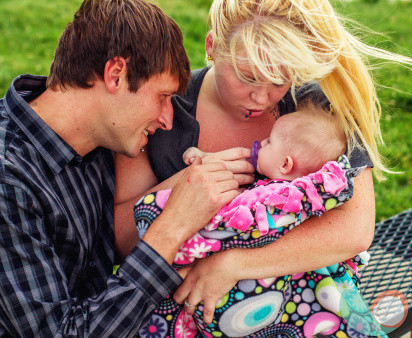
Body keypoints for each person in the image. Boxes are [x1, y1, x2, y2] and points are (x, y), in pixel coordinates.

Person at [115, 0, 412, 336]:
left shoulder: (316, 105)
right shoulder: (164, 108)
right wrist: (187, 183)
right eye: (247, 76)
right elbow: (123, 239)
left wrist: (233, 264)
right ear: (211, 46)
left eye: (280, 80)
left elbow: (354, 231)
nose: (261, 97)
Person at [0, 0, 245, 336]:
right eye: (162, 97)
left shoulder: (95, 138)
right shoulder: (9, 178)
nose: (167, 119)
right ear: (116, 75)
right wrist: (170, 227)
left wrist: (191, 182)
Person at [132, 102, 383, 337]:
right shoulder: (287, 189)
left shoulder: (274, 199)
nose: (260, 143)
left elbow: (234, 225)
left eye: (268, 141)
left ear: (285, 164)